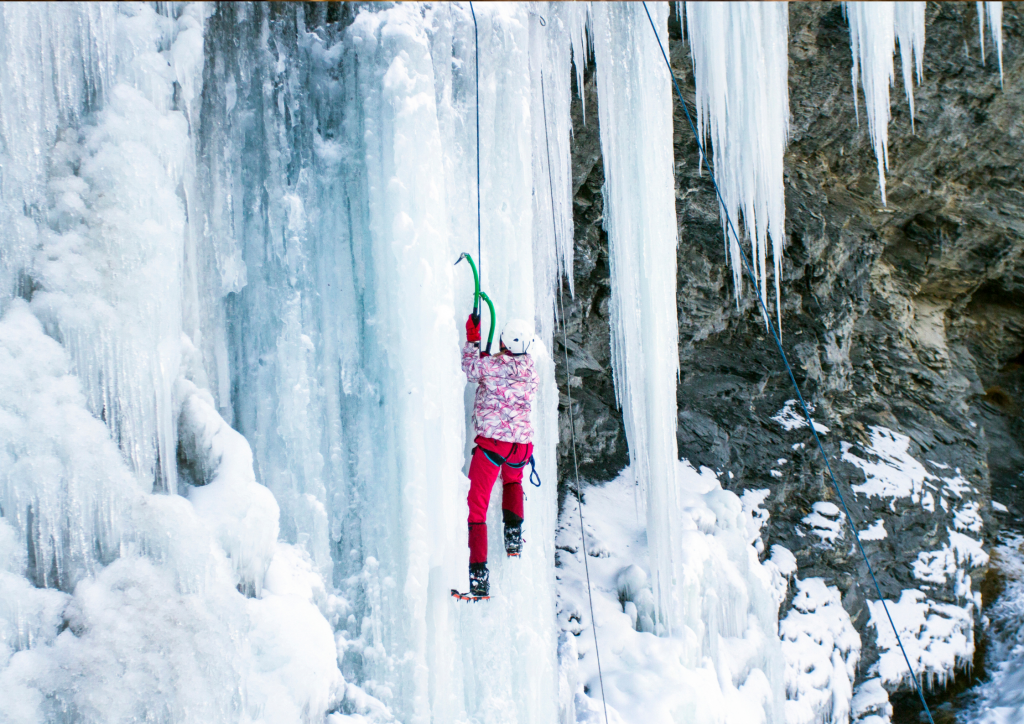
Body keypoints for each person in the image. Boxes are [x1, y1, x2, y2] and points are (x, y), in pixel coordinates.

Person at [461, 314, 539, 597]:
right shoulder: (531, 370)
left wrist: (473, 340)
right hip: (521, 447)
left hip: (494, 445)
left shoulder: (490, 366)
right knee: (512, 481)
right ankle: (513, 537)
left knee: (476, 509)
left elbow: (471, 370)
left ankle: (479, 576)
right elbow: (506, 372)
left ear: (503, 341)